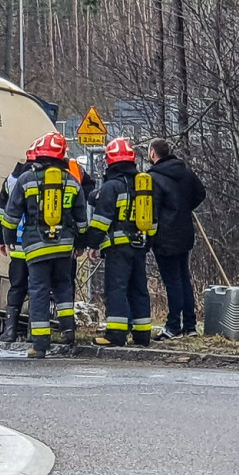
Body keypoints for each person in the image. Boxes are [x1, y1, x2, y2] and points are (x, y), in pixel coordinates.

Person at [1, 131, 88, 359]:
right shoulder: (71, 180)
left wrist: (7, 239)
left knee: (38, 291)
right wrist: (80, 244)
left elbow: (10, 216)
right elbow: (81, 218)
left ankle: (40, 345)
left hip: (36, 247)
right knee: (63, 287)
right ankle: (69, 332)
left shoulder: (26, 179)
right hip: (64, 248)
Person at [89, 137, 155, 347]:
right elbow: (152, 219)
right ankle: (142, 334)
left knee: (116, 288)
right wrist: (148, 243)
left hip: (118, 248)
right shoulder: (143, 185)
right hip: (139, 245)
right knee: (138, 289)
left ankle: (116, 335)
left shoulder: (112, 187)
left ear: (110, 161)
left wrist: (92, 244)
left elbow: (101, 221)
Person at [147, 138, 206, 340]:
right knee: (184, 278)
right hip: (184, 231)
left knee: (172, 281)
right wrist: (184, 208)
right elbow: (200, 193)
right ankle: (190, 325)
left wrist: (150, 235)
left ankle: (173, 326)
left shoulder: (154, 177)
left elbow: (151, 210)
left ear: (153, 153)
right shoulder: (185, 172)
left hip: (165, 235)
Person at [0, 145, 37, 342]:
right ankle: (33, 333)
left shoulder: (12, 180)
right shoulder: (51, 177)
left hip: (17, 245)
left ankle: (9, 331)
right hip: (40, 247)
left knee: (17, 287)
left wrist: (1, 239)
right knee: (39, 288)